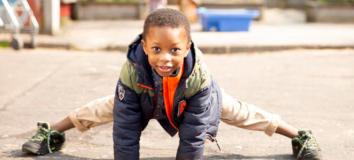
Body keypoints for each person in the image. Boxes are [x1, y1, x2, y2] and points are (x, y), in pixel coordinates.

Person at [21, 8, 321, 160]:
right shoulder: (132, 73)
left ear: (188, 47)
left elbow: (192, 137)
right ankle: (51, 132)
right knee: (99, 110)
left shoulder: (199, 80)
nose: (165, 58)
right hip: (144, 97)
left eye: (174, 50)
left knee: (242, 112)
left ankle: (300, 136)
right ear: (144, 45)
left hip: (190, 98)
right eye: (156, 50)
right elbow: (124, 130)